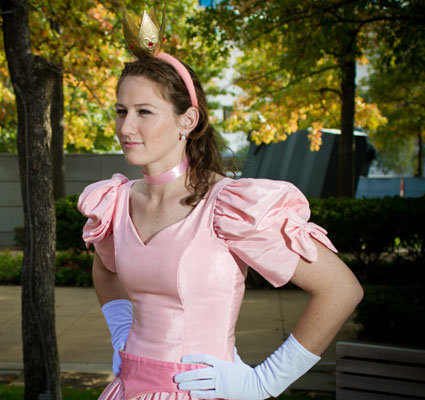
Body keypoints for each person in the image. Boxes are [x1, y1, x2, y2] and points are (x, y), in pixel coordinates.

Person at [77, 8, 363, 400]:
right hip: (126, 389)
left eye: (144, 112)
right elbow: (106, 271)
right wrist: (120, 328)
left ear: (188, 120)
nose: (126, 128)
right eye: (121, 111)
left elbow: (341, 289)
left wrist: (265, 382)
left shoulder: (231, 206)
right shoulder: (115, 202)